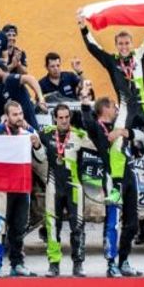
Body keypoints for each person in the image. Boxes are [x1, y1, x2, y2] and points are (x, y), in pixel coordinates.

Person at [77, 12, 144, 158]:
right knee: (117, 143)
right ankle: (119, 171)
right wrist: (83, 27)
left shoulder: (140, 55)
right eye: (120, 44)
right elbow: (93, 48)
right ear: (116, 45)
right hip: (125, 107)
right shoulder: (111, 61)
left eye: (127, 43)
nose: (124, 47)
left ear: (131, 44)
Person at [77, 93, 141, 276]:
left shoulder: (119, 124)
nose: (116, 110)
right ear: (105, 108)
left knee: (132, 224)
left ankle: (124, 261)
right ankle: (111, 263)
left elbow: (137, 133)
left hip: (129, 175)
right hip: (113, 178)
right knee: (113, 222)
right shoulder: (97, 126)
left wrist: (124, 133)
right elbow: (88, 122)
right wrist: (85, 104)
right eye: (113, 107)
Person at [0, 98, 43, 276]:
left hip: (22, 186)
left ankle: (17, 264)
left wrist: (37, 144)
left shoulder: (28, 132)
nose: (19, 117)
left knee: (19, 228)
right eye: (15, 114)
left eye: (20, 114)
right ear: (6, 116)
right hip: (2, 188)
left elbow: (41, 157)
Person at [42, 102, 86, 277]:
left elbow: (100, 144)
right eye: (60, 117)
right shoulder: (46, 133)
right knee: (52, 226)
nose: (64, 121)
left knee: (78, 225)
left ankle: (78, 263)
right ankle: (54, 264)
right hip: (53, 187)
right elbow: (29, 136)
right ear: (55, 118)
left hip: (74, 187)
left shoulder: (79, 135)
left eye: (67, 117)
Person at [4, 48, 45, 130]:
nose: (11, 39)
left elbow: (26, 75)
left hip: (18, 88)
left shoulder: (18, 52)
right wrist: (12, 65)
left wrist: (41, 98)